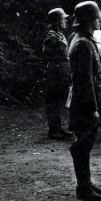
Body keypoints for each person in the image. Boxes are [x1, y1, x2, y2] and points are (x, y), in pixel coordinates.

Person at [67, 1, 101, 201]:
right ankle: (83, 187)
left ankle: (86, 183)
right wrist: (93, 108)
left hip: (85, 100)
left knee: (86, 143)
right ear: (90, 20)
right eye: (98, 17)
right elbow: (85, 81)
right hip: (84, 102)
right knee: (82, 145)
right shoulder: (82, 43)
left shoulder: (84, 40)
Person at [43, 8, 73, 140]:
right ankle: (54, 130)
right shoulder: (51, 36)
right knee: (53, 101)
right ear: (57, 21)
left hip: (62, 71)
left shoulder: (59, 34)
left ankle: (58, 128)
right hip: (55, 72)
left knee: (59, 101)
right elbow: (48, 54)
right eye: (63, 19)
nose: (65, 21)